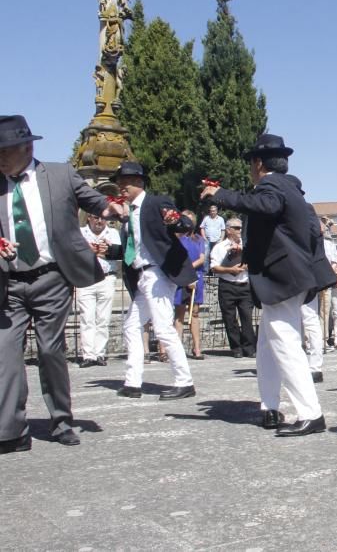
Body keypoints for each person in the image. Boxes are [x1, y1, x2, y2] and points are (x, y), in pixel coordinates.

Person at [0, 115, 122, 453]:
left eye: (5, 150)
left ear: (27, 147)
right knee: (4, 352)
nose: (0, 157)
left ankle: (61, 421)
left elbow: (92, 199)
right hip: (8, 283)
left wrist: (110, 207)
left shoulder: (59, 173)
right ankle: (11, 430)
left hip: (51, 278)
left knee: (50, 350)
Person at [201, 133, 334, 436]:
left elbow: (267, 206)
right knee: (267, 345)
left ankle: (311, 413)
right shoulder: (292, 189)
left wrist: (219, 193)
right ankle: (270, 406)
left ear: (258, 162)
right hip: (290, 274)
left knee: (283, 340)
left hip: (284, 276)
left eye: (251, 163)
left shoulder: (272, 185)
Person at [101, 162, 197, 400]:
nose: (121, 187)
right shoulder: (128, 213)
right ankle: (133, 383)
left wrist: (175, 220)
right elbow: (134, 248)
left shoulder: (155, 202)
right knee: (132, 325)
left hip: (158, 273)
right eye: (120, 183)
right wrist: (109, 250)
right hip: (141, 273)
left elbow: (184, 224)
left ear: (139, 182)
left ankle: (184, 382)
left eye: (125, 182)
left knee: (163, 327)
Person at [77, 213, 121, 367]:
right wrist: (92, 251)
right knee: (87, 317)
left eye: (103, 218)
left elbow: (117, 254)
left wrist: (103, 250)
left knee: (103, 318)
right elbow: (75, 254)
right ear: (89, 218)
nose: (99, 221)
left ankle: (100, 353)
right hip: (86, 278)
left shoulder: (113, 233)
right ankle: (88, 355)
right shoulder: (80, 232)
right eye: (95, 217)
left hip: (107, 277)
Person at [210, 217, 256, 357]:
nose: (239, 230)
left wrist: (247, 265)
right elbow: (214, 268)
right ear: (228, 230)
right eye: (236, 228)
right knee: (230, 318)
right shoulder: (219, 247)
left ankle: (250, 348)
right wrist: (230, 270)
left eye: (240, 228)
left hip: (244, 285)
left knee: (247, 318)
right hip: (227, 285)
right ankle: (236, 348)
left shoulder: (247, 245)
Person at [173, 210, 207, 360]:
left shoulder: (198, 239)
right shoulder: (176, 238)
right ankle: (177, 348)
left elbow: (201, 258)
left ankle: (197, 348)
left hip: (195, 277)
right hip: (181, 277)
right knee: (179, 314)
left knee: (194, 312)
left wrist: (189, 269)